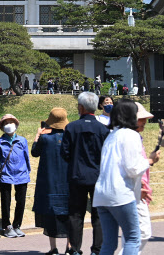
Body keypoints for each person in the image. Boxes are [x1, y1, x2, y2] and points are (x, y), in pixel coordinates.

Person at [93, 100, 159, 255]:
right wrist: (150, 160)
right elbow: (132, 168)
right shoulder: (131, 135)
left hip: (101, 195)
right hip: (120, 194)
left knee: (109, 243)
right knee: (133, 238)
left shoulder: (111, 135)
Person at [61, 92, 109, 255]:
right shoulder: (103, 129)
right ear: (96, 107)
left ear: (80, 107)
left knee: (75, 214)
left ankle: (74, 249)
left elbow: (65, 153)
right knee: (99, 215)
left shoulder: (71, 127)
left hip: (77, 176)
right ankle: (97, 249)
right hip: (98, 177)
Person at [115, 102, 161, 255]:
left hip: (135, 189)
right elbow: (129, 166)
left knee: (132, 236)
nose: (145, 122)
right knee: (142, 233)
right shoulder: (129, 138)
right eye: (141, 119)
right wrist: (149, 162)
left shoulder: (129, 136)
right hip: (132, 191)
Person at [33, 108, 72, 255]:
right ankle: (69, 247)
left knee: (50, 215)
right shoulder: (70, 138)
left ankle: (53, 248)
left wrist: (38, 135)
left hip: (49, 181)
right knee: (69, 213)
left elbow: (34, 152)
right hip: (67, 182)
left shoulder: (45, 138)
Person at [0, 114, 30, 238]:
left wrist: (27, 171)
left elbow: (27, 157)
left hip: (21, 174)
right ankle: (7, 225)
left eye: (11, 122)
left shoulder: (22, 140)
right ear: (2, 127)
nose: (9, 125)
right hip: (5, 174)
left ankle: (17, 225)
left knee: (21, 201)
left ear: (16, 124)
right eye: (6, 123)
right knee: (6, 201)